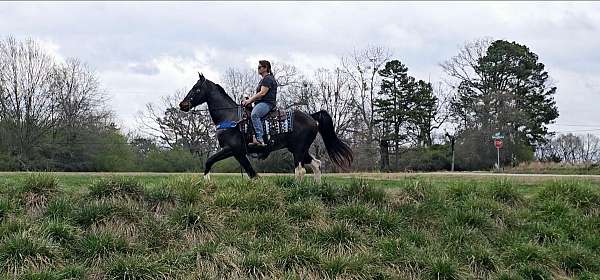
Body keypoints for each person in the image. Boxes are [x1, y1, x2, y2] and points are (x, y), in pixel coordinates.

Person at [241, 60, 278, 146]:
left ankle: (259, 139)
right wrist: (249, 100)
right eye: (258, 67)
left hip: (267, 104)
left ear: (265, 68)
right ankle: (252, 137)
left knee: (255, 115)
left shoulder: (268, 79)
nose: (258, 69)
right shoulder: (263, 80)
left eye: (259, 67)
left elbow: (262, 93)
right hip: (261, 103)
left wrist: (249, 100)